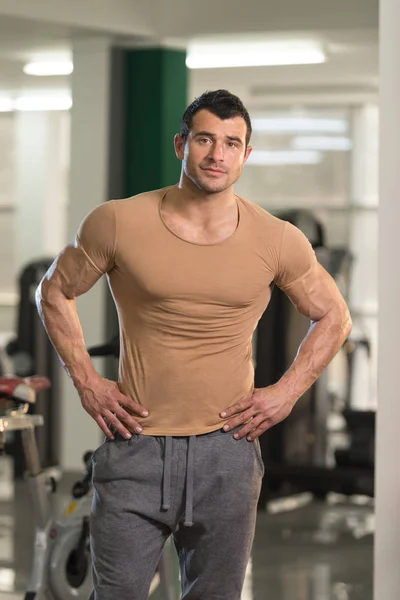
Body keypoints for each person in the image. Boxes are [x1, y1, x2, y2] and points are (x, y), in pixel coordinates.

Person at [36, 89, 352, 600]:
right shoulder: (118, 221)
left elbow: (334, 315)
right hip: (134, 445)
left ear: (246, 155)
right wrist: (88, 382)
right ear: (181, 143)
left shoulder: (277, 238)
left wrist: (286, 393)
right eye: (205, 139)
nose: (217, 155)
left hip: (226, 451)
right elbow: (54, 290)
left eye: (232, 143)